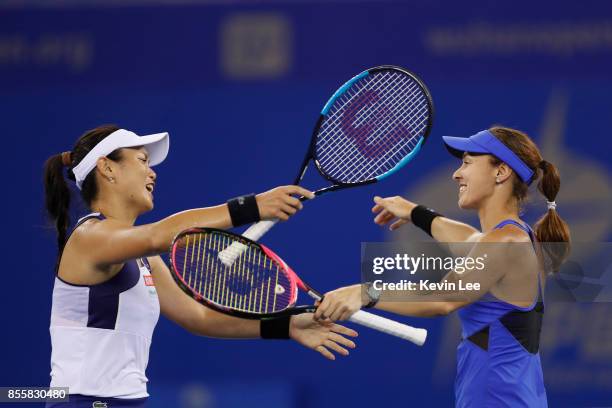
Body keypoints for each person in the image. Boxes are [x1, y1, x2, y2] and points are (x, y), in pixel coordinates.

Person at [43, 125, 357, 407]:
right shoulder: (89, 237)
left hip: (127, 401)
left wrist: (284, 326)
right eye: (141, 161)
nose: (152, 173)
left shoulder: (144, 258)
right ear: (107, 168)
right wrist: (251, 207)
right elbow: (158, 235)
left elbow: (198, 316)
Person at [314, 126, 571, 407]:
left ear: (501, 172)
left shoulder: (507, 242)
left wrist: (365, 293)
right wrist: (416, 213)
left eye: (468, 162)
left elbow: (445, 297)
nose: (457, 173)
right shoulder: (516, 237)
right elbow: (469, 240)